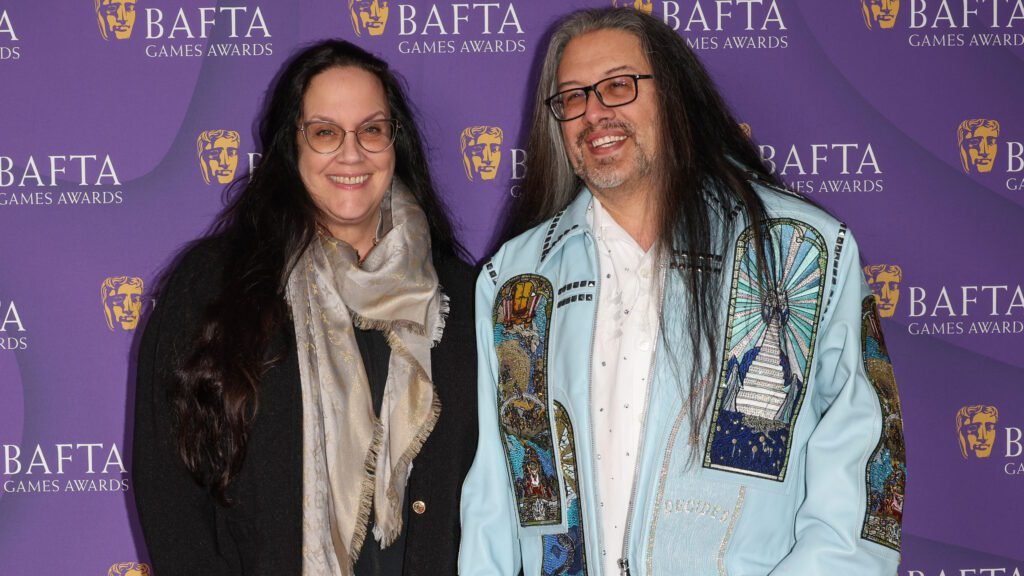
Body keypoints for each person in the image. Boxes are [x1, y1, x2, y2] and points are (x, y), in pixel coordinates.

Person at [460, 8, 904, 575]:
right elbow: (494, 499)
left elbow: (865, 469)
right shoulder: (519, 281)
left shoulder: (802, 252)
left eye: (618, 86)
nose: (595, 113)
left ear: (670, 94)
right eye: (572, 98)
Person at [133, 40, 477, 576]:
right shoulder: (213, 285)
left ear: (394, 141)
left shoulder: (460, 295)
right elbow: (169, 489)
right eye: (324, 132)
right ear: (289, 147)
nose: (352, 153)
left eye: (371, 129)